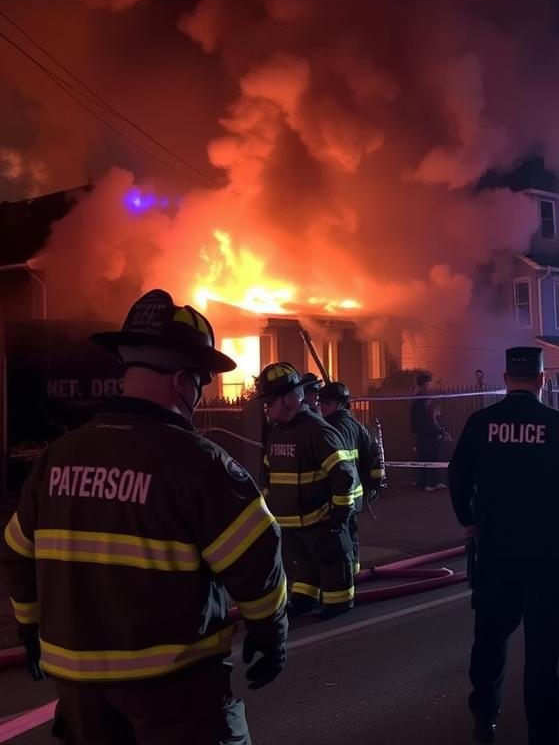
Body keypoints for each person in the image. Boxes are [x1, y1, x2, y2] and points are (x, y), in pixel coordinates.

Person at [0, 289, 288, 742]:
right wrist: (270, 633)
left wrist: (30, 628)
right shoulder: (200, 463)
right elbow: (257, 560)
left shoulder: (56, 458)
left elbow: (17, 553)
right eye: (202, 381)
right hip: (176, 687)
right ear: (181, 381)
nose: (200, 392)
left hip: (79, 693)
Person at [449, 347, 559, 745]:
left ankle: (484, 720)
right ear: (541, 380)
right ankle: (544, 733)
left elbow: (458, 475)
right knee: (542, 650)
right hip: (548, 554)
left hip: (497, 552)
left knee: (490, 638)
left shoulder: (481, 423)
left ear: (504, 379)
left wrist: (467, 519)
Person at [257, 362, 362, 619]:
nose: (266, 407)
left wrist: (340, 509)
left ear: (289, 399)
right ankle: (304, 599)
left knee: (330, 559)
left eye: (270, 401)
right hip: (291, 521)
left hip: (319, 517)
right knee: (302, 563)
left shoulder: (317, 431)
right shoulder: (276, 431)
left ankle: (339, 602)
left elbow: (343, 472)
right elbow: (270, 471)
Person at [320, 381, 386, 576]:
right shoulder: (356, 425)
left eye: (328, 403)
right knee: (350, 535)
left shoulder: (332, 428)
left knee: (341, 539)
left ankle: (347, 577)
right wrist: (373, 487)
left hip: (341, 495)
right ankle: (354, 573)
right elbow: (373, 458)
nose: (323, 406)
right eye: (321, 402)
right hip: (354, 494)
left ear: (341, 404)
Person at [411, 372, 449, 491]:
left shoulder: (429, 401)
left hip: (433, 435)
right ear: (421, 386)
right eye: (427, 384)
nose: (429, 386)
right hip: (425, 435)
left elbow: (435, 417)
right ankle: (427, 483)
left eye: (429, 384)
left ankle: (436, 481)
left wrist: (442, 430)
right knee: (426, 457)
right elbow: (420, 421)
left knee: (435, 457)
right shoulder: (418, 403)